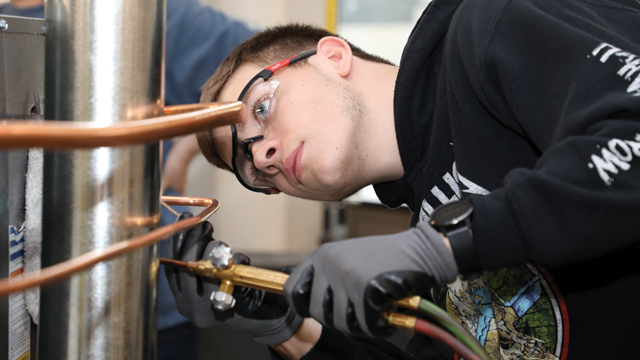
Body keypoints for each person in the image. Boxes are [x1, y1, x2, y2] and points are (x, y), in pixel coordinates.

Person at [166, 0, 640, 359]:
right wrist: (284, 327)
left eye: (262, 109)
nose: (264, 155)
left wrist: (444, 245)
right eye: (250, 168)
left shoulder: (491, 23)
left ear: (332, 56)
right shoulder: (423, 220)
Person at [0, 1, 254, 359]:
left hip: (142, 301)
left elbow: (263, 75)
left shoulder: (152, 14)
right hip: (25, 305)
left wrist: (187, 144)